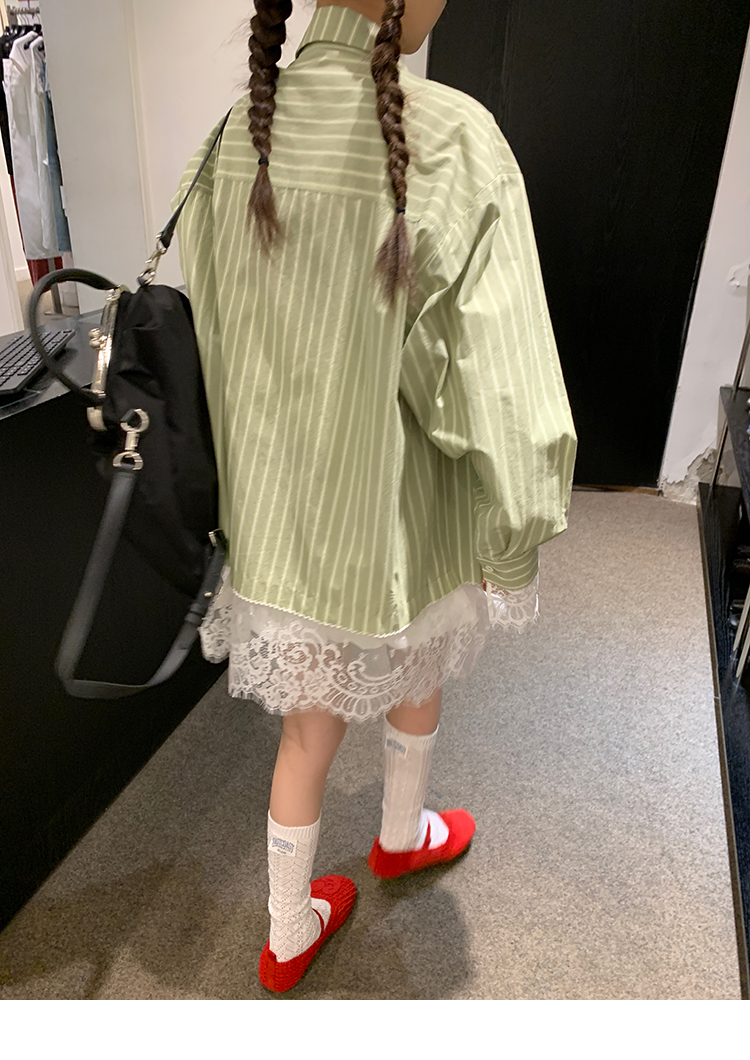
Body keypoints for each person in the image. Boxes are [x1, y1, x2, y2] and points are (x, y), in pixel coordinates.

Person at [172, 0, 577, 993]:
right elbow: (498, 387)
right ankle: (401, 833)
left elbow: (218, 340)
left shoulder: (234, 137)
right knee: (420, 656)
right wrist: (512, 535)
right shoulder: (456, 142)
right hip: (402, 516)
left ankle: (287, 927)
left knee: (307, 731)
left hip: (279, 525)